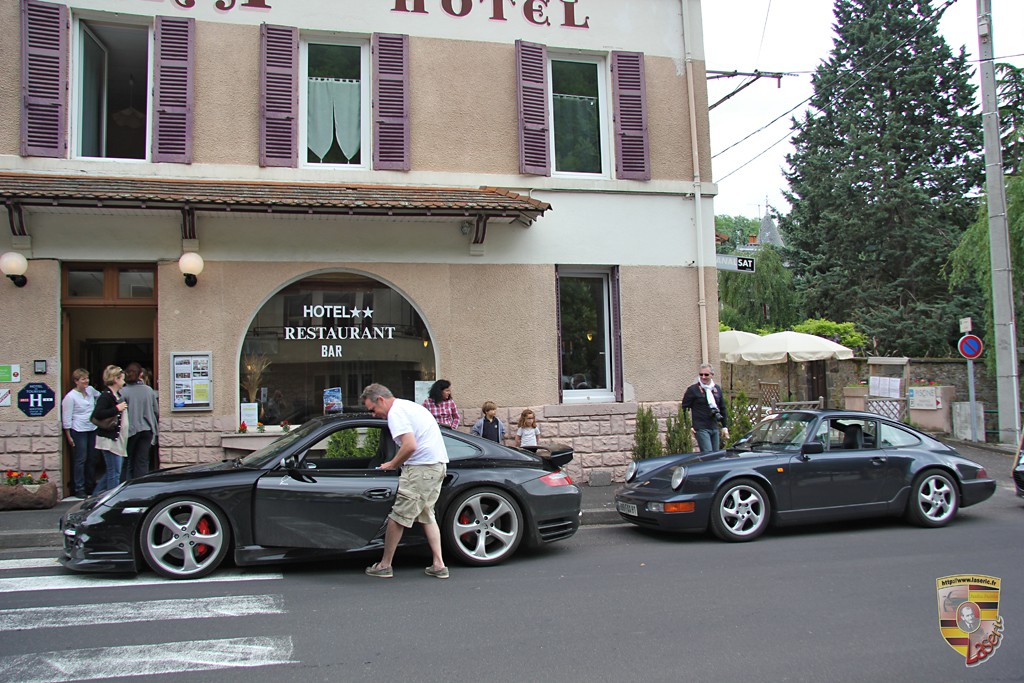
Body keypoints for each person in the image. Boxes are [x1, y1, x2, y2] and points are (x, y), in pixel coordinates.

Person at [361, 383, 450, 579]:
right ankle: (439, 564)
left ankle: (384, 565)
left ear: (381, 400)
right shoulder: (408, 406)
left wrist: (392, 464)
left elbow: (410, 445)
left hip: (421, 469)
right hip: (436, 466)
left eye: (373, 409)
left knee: (398, 516)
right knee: (427, 513)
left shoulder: (396, 414)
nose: (374, 415)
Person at [61, 368, 101, 498]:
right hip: (78, 430)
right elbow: (66, 418)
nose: (86, 381)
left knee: (92, 458)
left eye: (87, 378)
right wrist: (69, 435)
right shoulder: (70, 397)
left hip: (92, 428)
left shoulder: (90, 391)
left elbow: (100, 396)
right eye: (83, 379)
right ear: (76, 381)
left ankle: (90, 485)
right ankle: (79, 488)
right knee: (80, 459)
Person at [91, 365, 129, 493]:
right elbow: (98, 414)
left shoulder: (117, 395)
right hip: (109, 440)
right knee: (114, 473)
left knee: (112, 471)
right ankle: (111, 501)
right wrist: (117, 409)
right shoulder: (106, 396)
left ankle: (95, 497)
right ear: (115, 379)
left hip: (117, 439)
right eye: (122, 379)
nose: (124, 382)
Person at [119, 362, 159, 482]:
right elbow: (156, 411)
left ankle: (125, 486)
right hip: (147, 429)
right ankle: (141, 486)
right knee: (142, 460)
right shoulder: (148, 390)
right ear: (140, 374)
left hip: (130, 430)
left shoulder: (122, 392)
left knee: (127, 460)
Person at [681, 363, 730, 453]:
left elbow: (722, 408)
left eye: (706, 375)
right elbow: (684, 408)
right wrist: (689, 425)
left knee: (715, 454)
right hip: (701, 427)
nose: (703, 377)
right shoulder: (693, 390)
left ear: (712, 375)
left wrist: (724, 426)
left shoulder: (716, 389)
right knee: (708, 453)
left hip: (714, 426)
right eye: (701, 374)